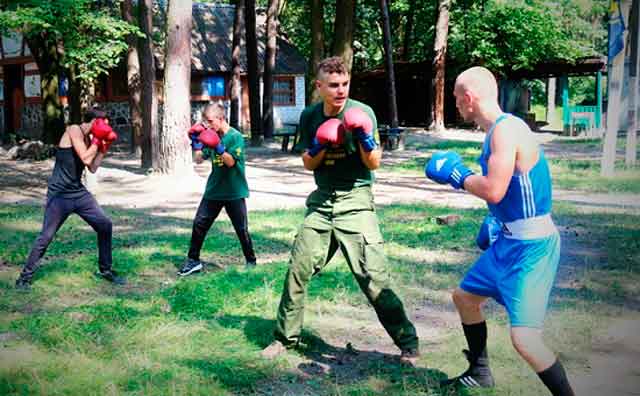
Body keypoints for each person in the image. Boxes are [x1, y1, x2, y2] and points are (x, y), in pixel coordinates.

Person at [425, 66, 574, 395]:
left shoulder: (507, 131)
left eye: (456, 98)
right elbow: (510, 192)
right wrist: (499, 220)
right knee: (465, 299)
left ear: (469, 97)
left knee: (525, 340)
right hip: (508, 239)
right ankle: (480, 373)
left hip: (531, 248)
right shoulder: (496, 131)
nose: (455, 104)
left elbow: (493, 189)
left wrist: (458, 175)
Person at [261, 56, 419, 363]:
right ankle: (284, 339)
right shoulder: (309, 116)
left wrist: (363, 136)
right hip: (321, 202)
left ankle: (408, 343)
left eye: (345, 84)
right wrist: (320, 145)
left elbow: (374, 163)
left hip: (356, 199)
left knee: (373, 278)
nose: (340, 91)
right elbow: (308, 163)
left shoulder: (363, 113)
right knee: (297, 272)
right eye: (333, 85)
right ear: (319, 87)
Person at [15, 108, 123, 289]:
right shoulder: (74, 130)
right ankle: (24, 278)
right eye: (103, 122)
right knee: (46, 236)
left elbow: (93, 167)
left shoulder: (89, 138)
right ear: (94, 122)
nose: (107, 126)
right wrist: (98, 141)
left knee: (105, 225)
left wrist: (104, 148)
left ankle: (106, 270)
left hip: (78, 193)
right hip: (59, 195)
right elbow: (86, 158)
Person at [178, 103, 256, 276]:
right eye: (205, 121)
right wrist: (196, 143)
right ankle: (193, 261)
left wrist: (217, 146)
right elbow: (198, 159)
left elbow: (230, 162)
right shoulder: (210, 134)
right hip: (214, 190)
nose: (207, 124)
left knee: (241, 229)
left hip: (234, 191)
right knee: (199, 223)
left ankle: (251, 261)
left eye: (210, 121)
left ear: (221, 119)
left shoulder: (235, 137)